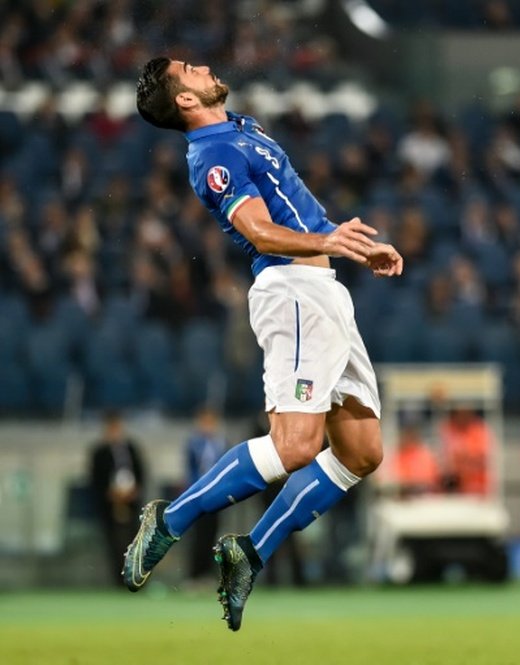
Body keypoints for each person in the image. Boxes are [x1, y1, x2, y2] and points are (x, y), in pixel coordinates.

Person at [123, 56, 403, 631]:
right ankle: (170, 519)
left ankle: (249, 553)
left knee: (362, 452)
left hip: (324, 290)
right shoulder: (213, 156)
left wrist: (347, 247)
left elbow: (287, 199)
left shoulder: (240, 128)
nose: (201, 65)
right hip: (291, 290)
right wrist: (327, 238)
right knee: (295, 445)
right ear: (183, 100)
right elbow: (254, 230)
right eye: (189, 69)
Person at [89, 412, 147, 584]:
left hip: (132, 502)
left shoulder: (131, 448)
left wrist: (135, 491)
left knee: (135, 540)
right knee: (114, 543)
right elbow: (95, 478)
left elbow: (141, 472)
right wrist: (110, 494)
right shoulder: (99, 452)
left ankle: (138, 577)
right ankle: (120, 580)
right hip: (110, 504)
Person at [182, 407, 227, 582]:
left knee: (214, 534)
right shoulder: (194, 443)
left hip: (217, 495)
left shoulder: (221, 443)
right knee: (198, 536)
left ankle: (209, 574)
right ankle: (195, 574)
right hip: (200, 494)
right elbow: (190, 469)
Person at [440, 405, 494, 496]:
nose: (463, 417)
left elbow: (483, 461)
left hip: (478, 489)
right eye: (460, 413)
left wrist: (462, 461)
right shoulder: (447, 428)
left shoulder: (480, 430)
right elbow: (446, 462)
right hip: (454, 490)